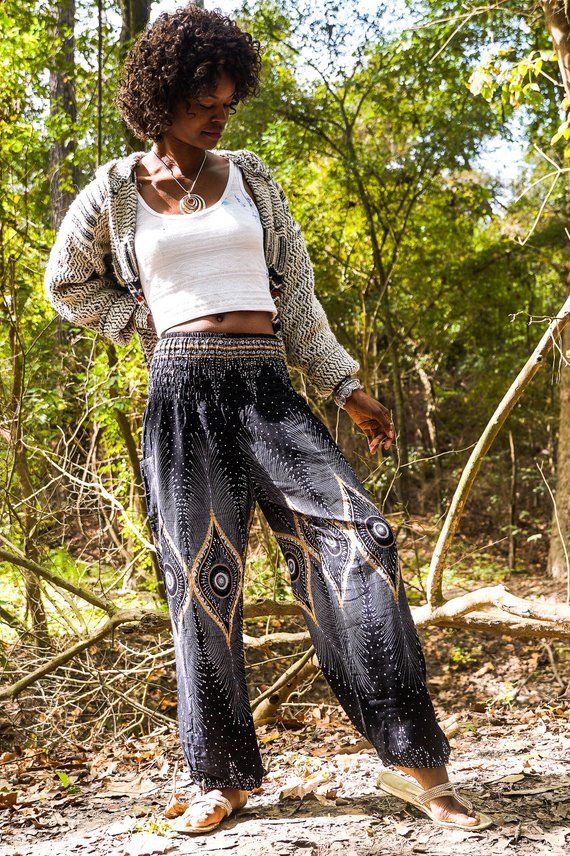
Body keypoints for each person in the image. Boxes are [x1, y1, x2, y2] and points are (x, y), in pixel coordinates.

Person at [44, 5, 491, 835]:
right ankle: (222, 776)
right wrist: (140, 325)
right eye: (204, 102)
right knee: (204, 587)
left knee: (364, 539)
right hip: (180, 397)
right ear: (161, 95)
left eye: (227, 101)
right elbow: (65, 285)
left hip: (267, 390)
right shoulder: (113, 190)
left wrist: (346, 385)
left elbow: (301, 296)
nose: (220, 114)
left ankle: (416, 763)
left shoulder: (251, 175)